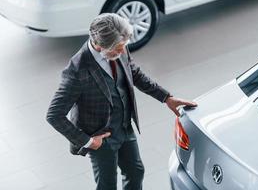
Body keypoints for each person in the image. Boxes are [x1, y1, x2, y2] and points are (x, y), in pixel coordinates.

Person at [46, 13, 197, 190]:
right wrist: (87, 141)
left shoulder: (121, 46)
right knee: (107, 185)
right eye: (117, 49)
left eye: (123, 46)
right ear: (98, 45)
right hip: (101, 137)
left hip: (125, 126)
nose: (122, 52)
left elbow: (135, 74)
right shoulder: (77, 71)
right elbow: (53, 115)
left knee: (136, 172)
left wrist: (166, 98)